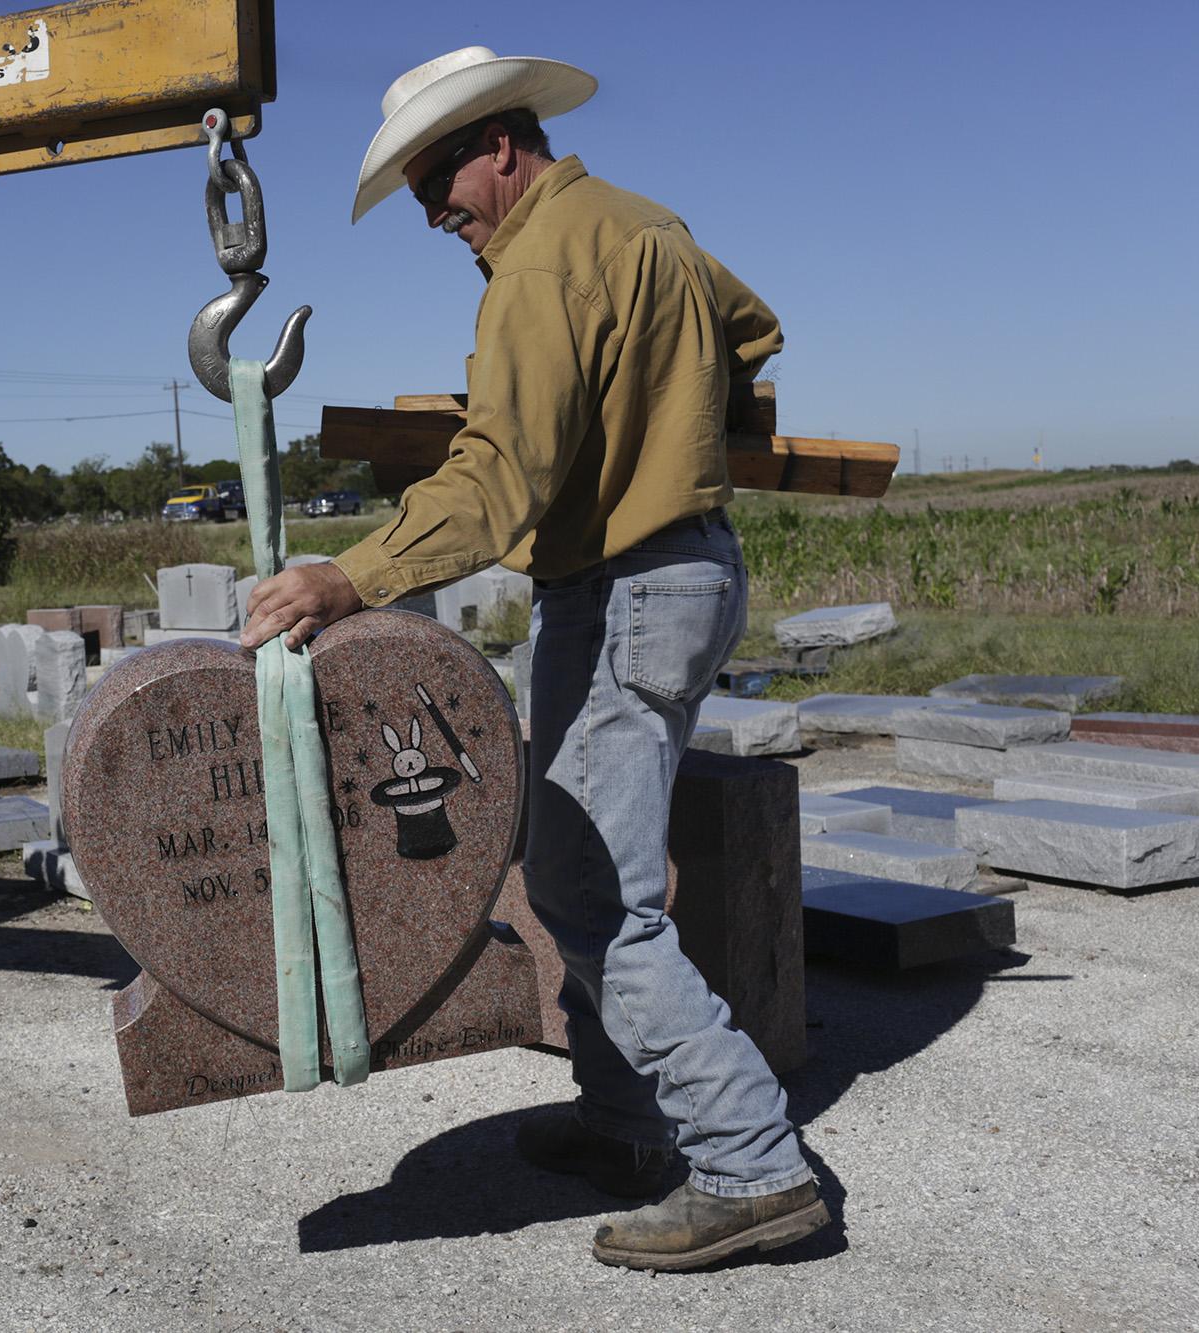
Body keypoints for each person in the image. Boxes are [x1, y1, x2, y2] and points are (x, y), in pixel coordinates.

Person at [238, 46, 828, 1272]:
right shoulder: (644, 225)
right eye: (415, 195)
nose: (432, 214)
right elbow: (751, 330)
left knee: (596, 895)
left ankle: (750, 1164)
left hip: (623, 589)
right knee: (571, 862)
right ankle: (625, 1120)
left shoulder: (535, 267)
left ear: (499, 143)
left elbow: (496, 474)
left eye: (437, 184)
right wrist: (663, 418)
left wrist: (352, 577)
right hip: (677, 570)